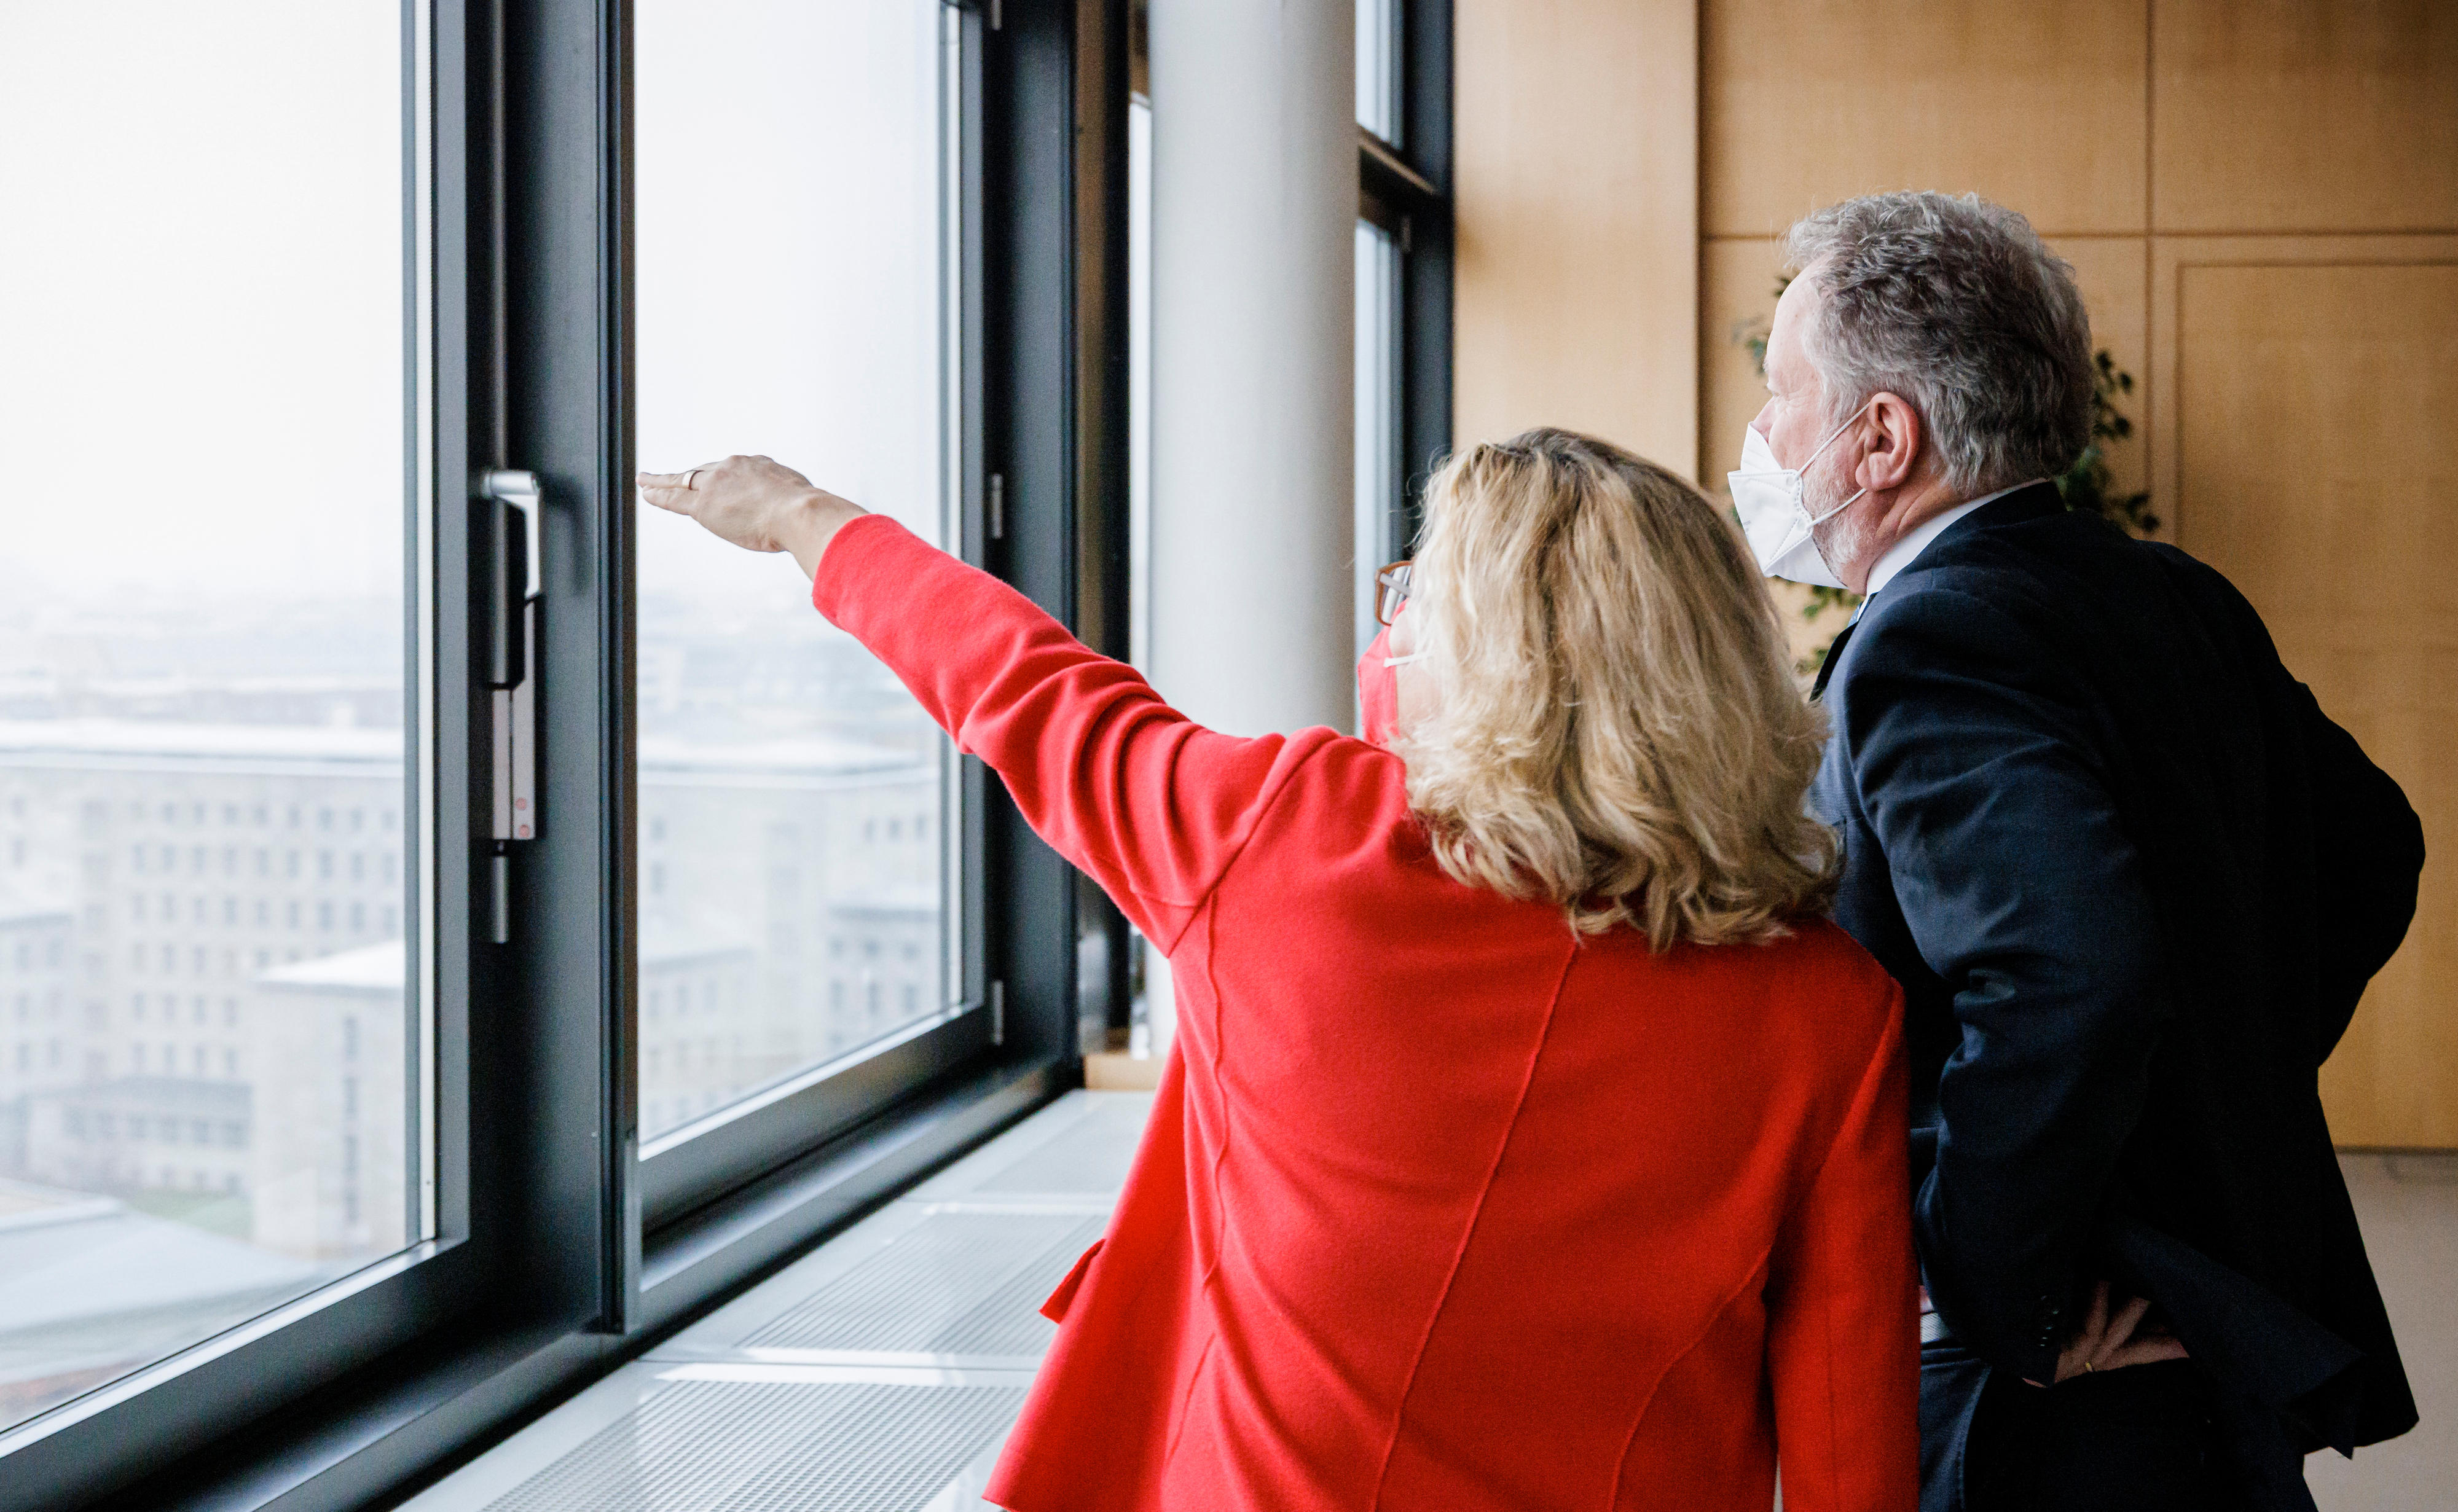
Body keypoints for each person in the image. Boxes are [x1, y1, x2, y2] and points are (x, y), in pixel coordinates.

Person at [642, 430, 1917, 1511]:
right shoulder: (1825, 1007)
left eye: (1410, 597)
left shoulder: (1284, 835)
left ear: (1479, 661)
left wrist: (809, 520)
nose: (1390, 620)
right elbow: (1846, 1430)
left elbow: (1021, 686)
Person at [1734, 190, 2424, 1512]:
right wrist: (2209, 1090)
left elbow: (2065, 972)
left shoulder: (1921, 644)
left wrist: (1999, 1284)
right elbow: (2369, 849)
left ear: (1880, 436)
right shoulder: (2170, 591)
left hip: (2047, 1385)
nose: (1762, 437)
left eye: (1780, 394)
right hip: (2193, 1317)